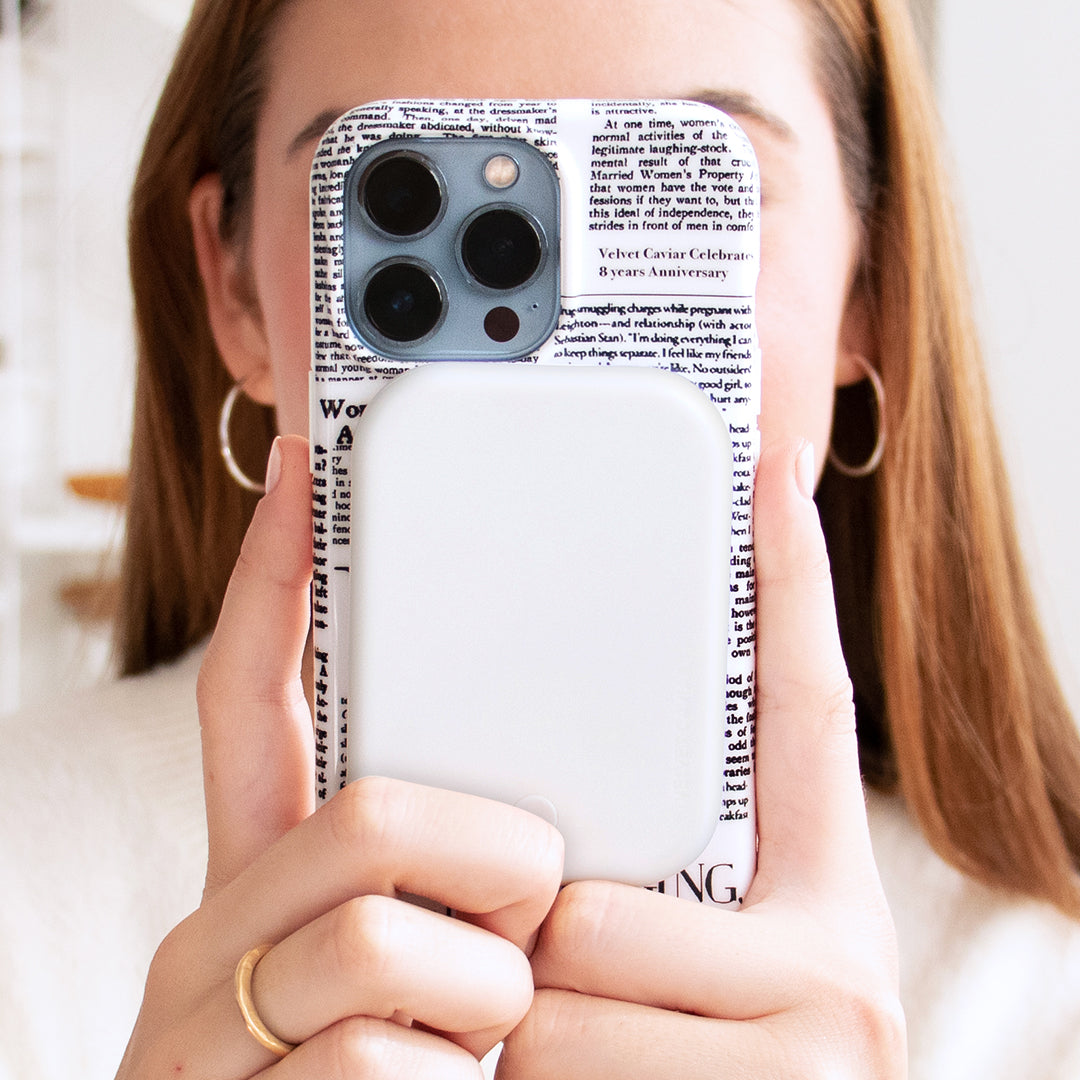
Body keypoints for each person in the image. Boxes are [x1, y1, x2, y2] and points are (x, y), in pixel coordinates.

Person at [3, 0, 1079, 1077]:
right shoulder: (24, 895)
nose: (556, 377)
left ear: (873, 282)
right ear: (231, 285)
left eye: (672, 188)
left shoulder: (1044, 991)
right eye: (408, 179)